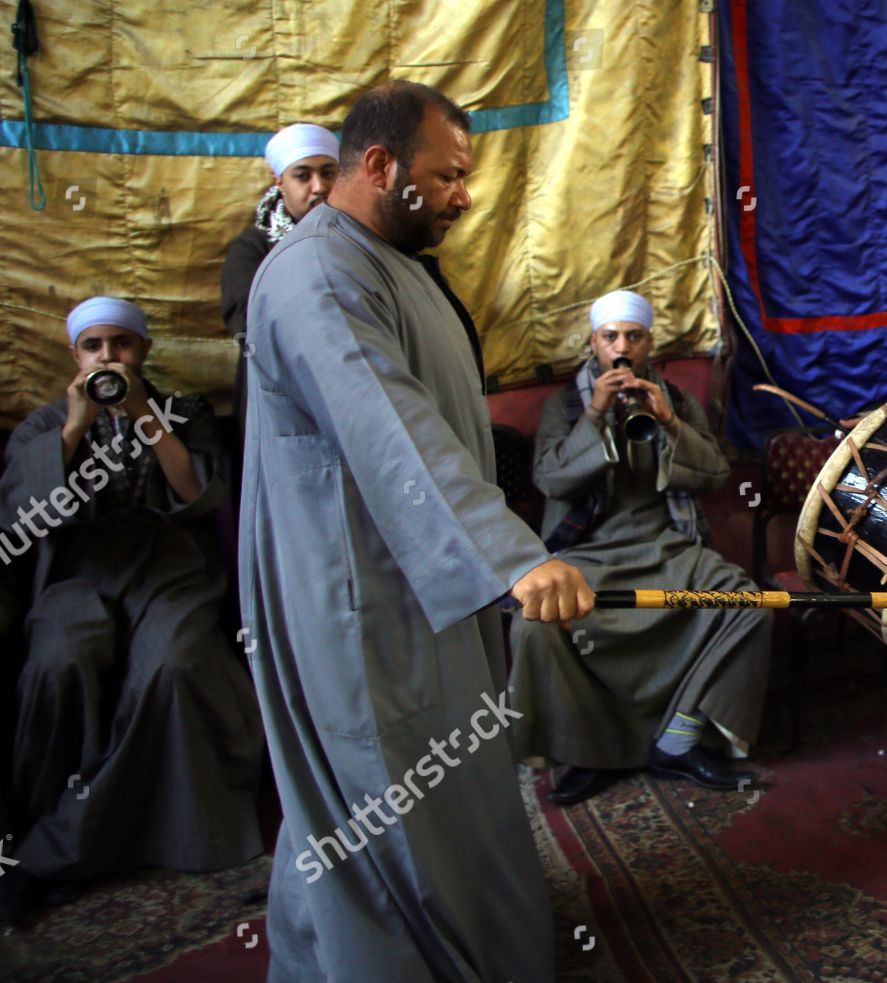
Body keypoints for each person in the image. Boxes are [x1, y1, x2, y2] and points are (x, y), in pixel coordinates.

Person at [240, 81, 593, 981]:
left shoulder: (390, 262)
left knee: (400, 798)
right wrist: (514, 556)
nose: (464, 196)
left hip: (418, 577)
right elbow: (386, 424)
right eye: (448, 176)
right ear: (377, 165)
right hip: (358, 596)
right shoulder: (318, 273)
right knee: (383, 801)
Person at [0, 297, 263, 926]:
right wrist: (75, 425)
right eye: (95, 346)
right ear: (76, 356)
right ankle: (56, 827)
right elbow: (26, 518)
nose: (108, 357)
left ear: (141, 351)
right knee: (60, 662)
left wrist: (143, 413)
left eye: (121, 344)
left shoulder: (184, 411)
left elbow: (199, 496)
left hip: (166, 565)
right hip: (78, 570)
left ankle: (129, 835)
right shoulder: (44, 423)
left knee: (174, 664)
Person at [508, 289, 772, 805]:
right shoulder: (565, 405)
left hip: (668, 548)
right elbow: (550, 480)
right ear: (594, 345)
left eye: (634, 336)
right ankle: (587, 752)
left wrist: (669, 422)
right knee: (534, 627)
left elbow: (716, 473)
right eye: (611, 338)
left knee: (750, 606)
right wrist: (596, 416)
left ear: (650, 343)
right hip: (588, 554)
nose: (621, 347)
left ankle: (679, 739)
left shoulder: (675, 400)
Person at [220, 124, 339, 450]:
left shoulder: (362, 241)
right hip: (278, 397)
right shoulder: (254, 248)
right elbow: (247, 320)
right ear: (280, 182)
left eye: (329, 173)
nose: (320, 187)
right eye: (303, 176)